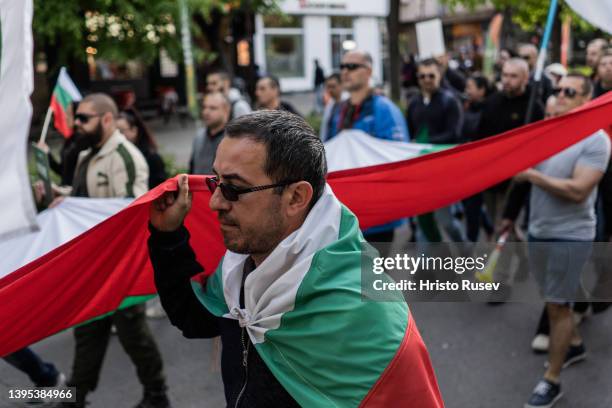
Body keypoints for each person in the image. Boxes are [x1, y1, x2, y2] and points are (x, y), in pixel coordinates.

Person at [147, 110, 443, 407]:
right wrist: (167, 236)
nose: (215, 202)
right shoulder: (240, 264)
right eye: (216, 181)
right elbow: (193, 319)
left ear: (296, 198)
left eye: (234, 188)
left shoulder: (369, 311)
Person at [51, 93, 171, 408]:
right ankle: (75, 395)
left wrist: (75, 204)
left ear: (106, 119)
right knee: (88, 330)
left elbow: (130, 212)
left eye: (84, 118)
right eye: (76, 117)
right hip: (91, 264)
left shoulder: (126, 157)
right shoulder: (86, 154)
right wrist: (60, 195)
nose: (76, 124)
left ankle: (157, 393)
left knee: (132, 331)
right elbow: (84, 198)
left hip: (119, 265)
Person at [500, 74, 610, 408]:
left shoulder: (596, 140)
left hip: (570, 236)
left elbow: (578, 192)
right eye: (557, 90)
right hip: (539, 231)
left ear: (585, 100)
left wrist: (532, 175)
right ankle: (574, 344)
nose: (559, 95)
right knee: (552, 298)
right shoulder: (545, 133)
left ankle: (552, 380)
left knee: (558, 307)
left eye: (569, 92)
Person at [326, 50, 409, 248]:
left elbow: (397, 157)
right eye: (343, 67)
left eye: (352, 67)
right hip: (344, 214)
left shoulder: (384, 109)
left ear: (368, 71)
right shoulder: (339, 110)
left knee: (371, 275)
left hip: (376, 215)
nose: (345, 72)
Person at [477, 58, 544, 225]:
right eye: (505, 75)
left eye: (513, 76)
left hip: (517, 179)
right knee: (496, 223)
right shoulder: (492, 101)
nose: (507, 80)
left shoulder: (533, 106)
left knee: (506, 225)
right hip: (490, 175)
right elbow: (480, 136)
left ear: (525, 78)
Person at [461, 74, 494, 242]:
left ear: (482, 90)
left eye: (470, 87)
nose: (467, 91)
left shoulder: (489, 110)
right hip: (466, 165)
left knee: (472, 206)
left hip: (481, 166)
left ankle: (470, 243)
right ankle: (488, 226)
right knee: (469, 203)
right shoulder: (468, 107)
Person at [117, 107, 167, 189]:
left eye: (121, 131)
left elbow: (160, 190)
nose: (117, 136)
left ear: (134, 131)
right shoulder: (114, 156)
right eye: (114, 132)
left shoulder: (152, 158)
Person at [189, 92, 230, 175]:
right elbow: (192, 167)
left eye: (212, 108)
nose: (206, 112)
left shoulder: (233, 139)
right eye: (204, 107)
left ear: (226, 110)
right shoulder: (199, 136)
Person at [319, 72, 346, 141]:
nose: (330, 90)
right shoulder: (330, 105)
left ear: (342, 85)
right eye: (328, 87)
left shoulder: (348, 104)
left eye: (333, 86)